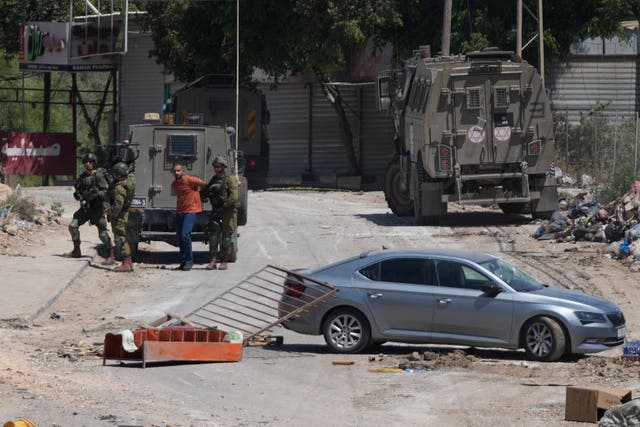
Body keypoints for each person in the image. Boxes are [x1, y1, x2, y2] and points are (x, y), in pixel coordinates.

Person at [67, 152, 113, 259]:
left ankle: (111, 254)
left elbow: (106, 189)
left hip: (97, 209)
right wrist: (78, 194)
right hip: (85, 209)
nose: (88, 164)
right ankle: (76, 250)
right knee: (72, 226)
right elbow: (80, 190)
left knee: (102, 234)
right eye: (86, 162)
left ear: (94, 163)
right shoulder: (83, 176)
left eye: (90, 162)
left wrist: (97, 195)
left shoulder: (98, 175)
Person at [201, 156, 238, 270]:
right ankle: (213, 260)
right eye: (215, 166)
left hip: (227, 212)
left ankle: (224, 261)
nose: (216, 169)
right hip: (216, 211)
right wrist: (204, 197)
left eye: (218, 167)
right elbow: (205, 192)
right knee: (213, 236)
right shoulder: (213, 179)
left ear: (223, 167)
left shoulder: (229, 179)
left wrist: (225, 206)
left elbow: (234, 196)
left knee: (226, 237)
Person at [171, 162, 207, 271]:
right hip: (179, 212)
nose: (176, 172)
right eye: (174, 171)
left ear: (183, 171)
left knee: (185, 235)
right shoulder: (174, 184)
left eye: (178, 170)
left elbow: (204, 185)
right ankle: (183, 262)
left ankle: (189, 261)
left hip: (190, 212)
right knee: (180, 238)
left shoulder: (191, 180)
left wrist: (200, 196)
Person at [104, 162, 135, 272]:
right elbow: (132, 171)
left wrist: (107, 211)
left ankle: (126, 263)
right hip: (125, 213)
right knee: (121, 237)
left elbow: (117, 208)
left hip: (119, 216)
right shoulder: (130, 181)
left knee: (120, 239)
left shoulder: (119, 189)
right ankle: (128, 262)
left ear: (118, 175)